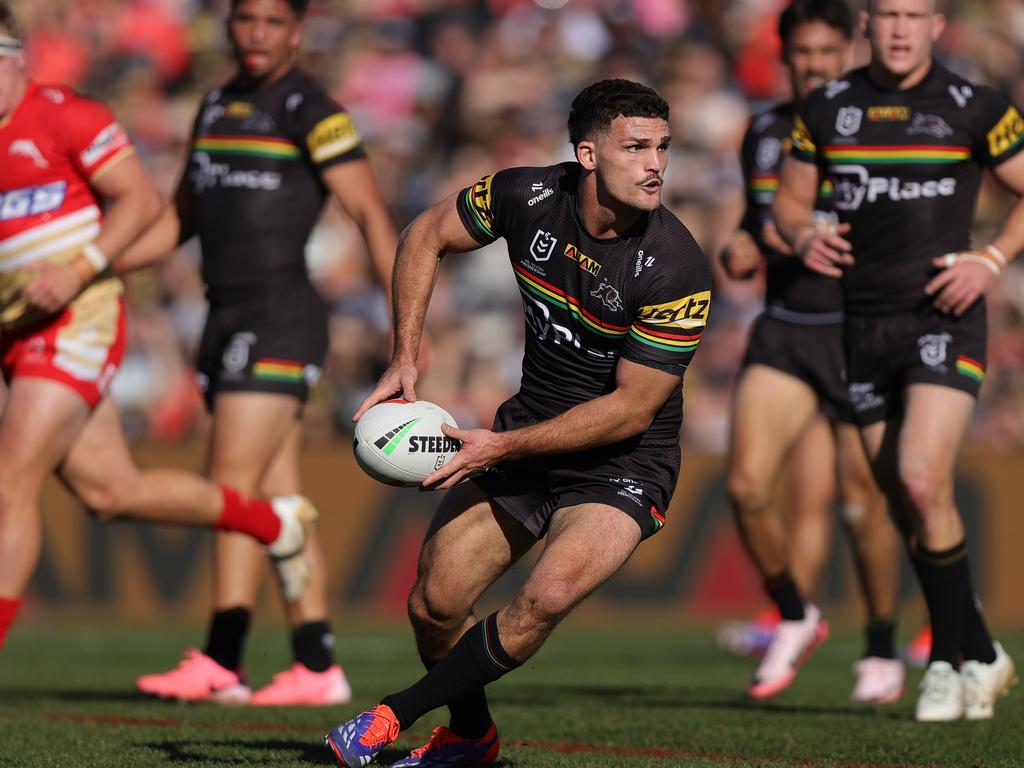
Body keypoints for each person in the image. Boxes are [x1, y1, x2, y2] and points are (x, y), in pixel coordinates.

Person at [324, 78, 711, 768]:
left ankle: (392, 715)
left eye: (663, 148)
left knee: (548, 594)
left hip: (622, 460)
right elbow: (423, 234)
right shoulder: (525, 196)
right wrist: (404, 355)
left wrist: (497, 444)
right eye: (636, 147)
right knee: (435, 605)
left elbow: (631, 408)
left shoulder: (677, 268)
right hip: (527, 432)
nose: (656, 164)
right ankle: (472, 739)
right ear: (588, 155)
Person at [0, 2, 316, 658]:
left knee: (10, 481)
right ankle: (272, 521)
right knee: (110, 491)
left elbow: (141, 199)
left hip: (74, 316)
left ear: (16, 56)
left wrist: (80, 267)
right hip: (14, 325)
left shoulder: (64, 113)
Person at [121, 0, 399, 706]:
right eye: (246, 19)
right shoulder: (215, 103)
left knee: (231, 486)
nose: (256, 33)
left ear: (296, 31)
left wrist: (408, 327)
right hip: (223, 315)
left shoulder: (311, 107)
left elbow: (370, 214)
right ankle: (316, 664)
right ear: (228, 27)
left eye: (273, 21)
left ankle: (224, 658)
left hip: (279, 317)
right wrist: (98, 262)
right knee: (277, 499)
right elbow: (177, 221)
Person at [774, 0, 1024, 721]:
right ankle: (981, 650)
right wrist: (799, 238)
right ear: (866, 25)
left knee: (921, 476)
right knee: (905, 499)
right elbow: (790, 205)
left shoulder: (974, 105)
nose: (901, 27)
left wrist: (991, 259)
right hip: (864, 327)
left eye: (915, 14)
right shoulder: (827, 109)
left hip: (944, 318)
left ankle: (945, 661)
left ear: (938, 24)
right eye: (887, 13)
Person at [720, 0, 903, 702]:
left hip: (862, 331)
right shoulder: (763, 133)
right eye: (803, 55)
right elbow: (749, 227)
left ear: (848, 52)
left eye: (828, 53)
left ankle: (882, 643)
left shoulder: (882, 127)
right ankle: (796, 614)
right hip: (788, 327)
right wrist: (741, 246)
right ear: (785, 55)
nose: (816, 66)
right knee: (745, 485)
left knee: (863, 503)